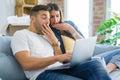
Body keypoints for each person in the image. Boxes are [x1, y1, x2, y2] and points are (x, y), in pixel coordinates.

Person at [11, 4, 111, 80]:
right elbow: (26, 64)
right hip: (41, 74)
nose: (48, 21)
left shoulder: (47, 36)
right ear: (32, 19)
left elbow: (58, 62)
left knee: (95, 63)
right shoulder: (21, 35)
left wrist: (54, 42)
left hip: (59, 68)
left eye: (48, 18)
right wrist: (59, 57)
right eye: (44, 17)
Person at [46, 2, 120, 73]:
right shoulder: (49, 32)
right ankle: (106, 69)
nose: (55, 20)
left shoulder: (69, 24)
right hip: (74, 60)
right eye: (52, 17)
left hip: (86, 51)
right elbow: (59, 59)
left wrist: (70, 29)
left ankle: (106, 70)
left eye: (57, 16)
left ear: (60, 15)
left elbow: (84, 42)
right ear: (48, 17)